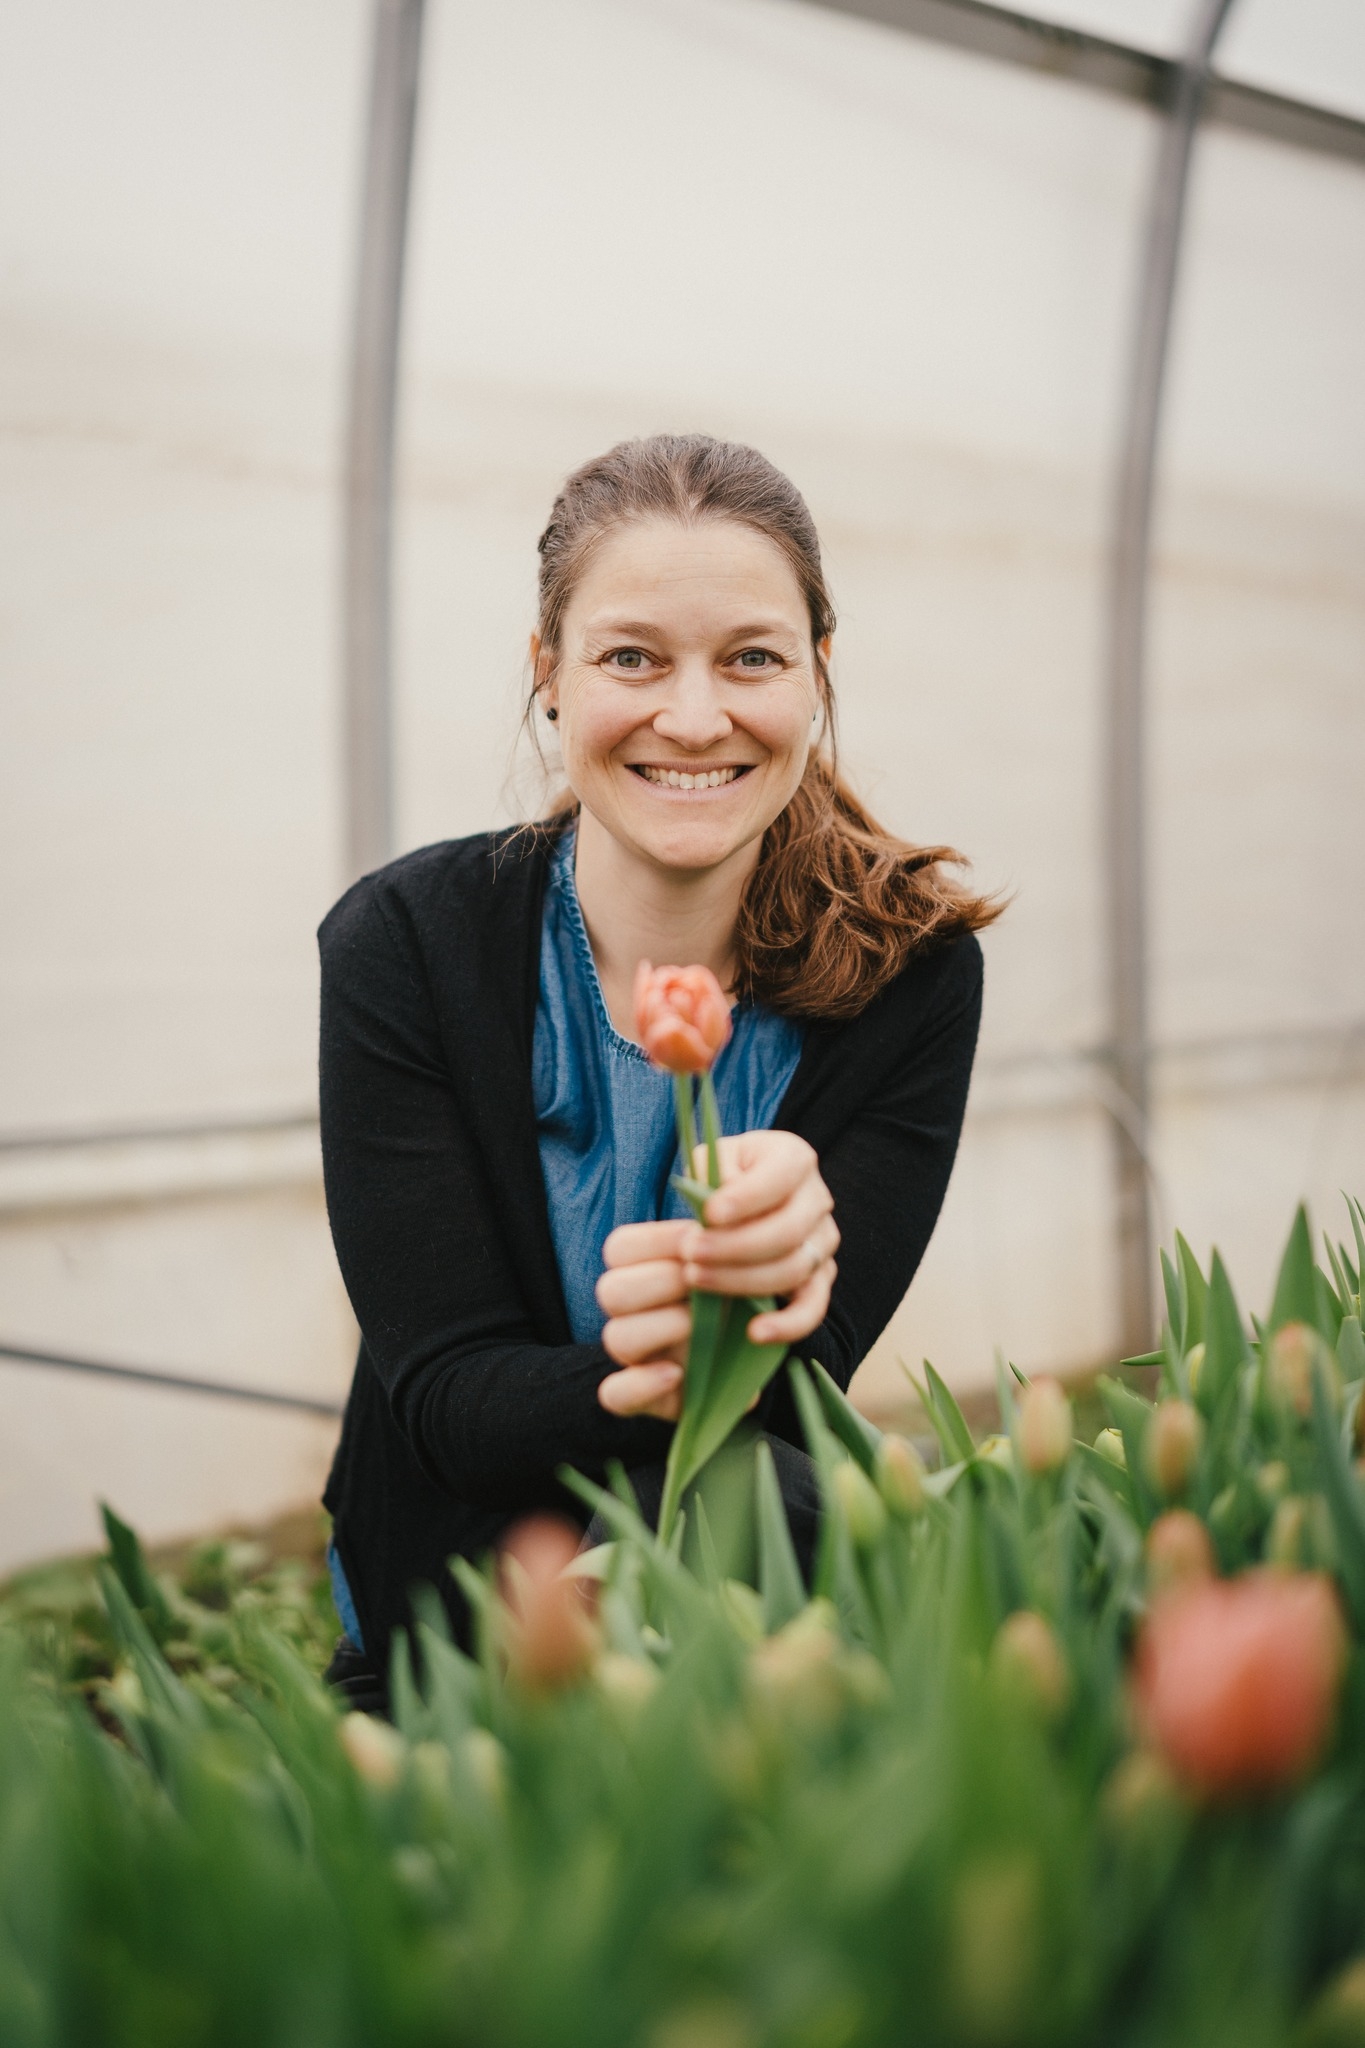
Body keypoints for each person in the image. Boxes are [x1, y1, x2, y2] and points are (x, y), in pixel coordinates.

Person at [319, 433, 999, 1707]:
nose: (693, 718)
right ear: (550, 673)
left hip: (738, 1591)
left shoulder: (909, 979)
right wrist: (691, 1351)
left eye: (752, 657)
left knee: (773, 1500)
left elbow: (796, 1389)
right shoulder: (408, 945)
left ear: (817, 674)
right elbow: (453, 1403)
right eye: (631, 656)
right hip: (452, 1612)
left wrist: (787, 1266)